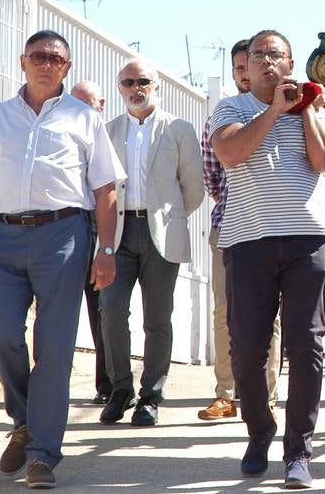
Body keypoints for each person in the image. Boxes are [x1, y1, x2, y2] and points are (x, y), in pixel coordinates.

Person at [0, 31, 123, 490]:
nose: (46, 63)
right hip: (1, 238)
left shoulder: (84, 118)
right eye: (38, 56)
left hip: (63, 236)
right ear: (22, 61)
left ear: (66, 68)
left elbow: (105, 189)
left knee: (54, 348)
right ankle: (26, 419)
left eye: (55, 58)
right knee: (2, 335)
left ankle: (42, 453)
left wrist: (105, 250)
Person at [210, 30, 325, 490]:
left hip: (311, 241)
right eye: (259, 55)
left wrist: (303, 108)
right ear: (246, 63)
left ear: (291, 62)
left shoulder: (312, 106)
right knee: (247, 349)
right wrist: (273, 110)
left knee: (307, 346)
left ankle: (298, 451)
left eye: (277, 55)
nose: (268, 62)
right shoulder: (233, 108)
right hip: (250, 242)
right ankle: (259, 429)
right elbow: (230, 152)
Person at [98, 60, 205, 427]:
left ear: (156, 85)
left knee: (157, 319)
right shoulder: (108, 131)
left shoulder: (178, 129)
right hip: (119, 232)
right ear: (119, 88)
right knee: (111, 310)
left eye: (143, 81)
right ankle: (120, 389)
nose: (136, 87)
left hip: (160, 231)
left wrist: (168, 215)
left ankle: (151, 395)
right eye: (128, 82)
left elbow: (193, 188)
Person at [199, 40, 283, 422]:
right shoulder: (222, 116)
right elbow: (213, 179)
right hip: (229, 228)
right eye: (238, 67)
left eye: (248, 64)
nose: (244, 73)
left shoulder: (285, 110)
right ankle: (226, 393)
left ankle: (266, 396)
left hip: (275, 228)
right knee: (224, 311)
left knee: (271, 316)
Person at [69, 80, 112, 406]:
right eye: (77, 103)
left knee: (104, 311)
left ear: (102, 105)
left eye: (90, 103)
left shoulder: (111, 137)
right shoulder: (60, 136)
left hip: (105, 234)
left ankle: (107, 382)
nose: (84, 111)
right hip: (66, 234)